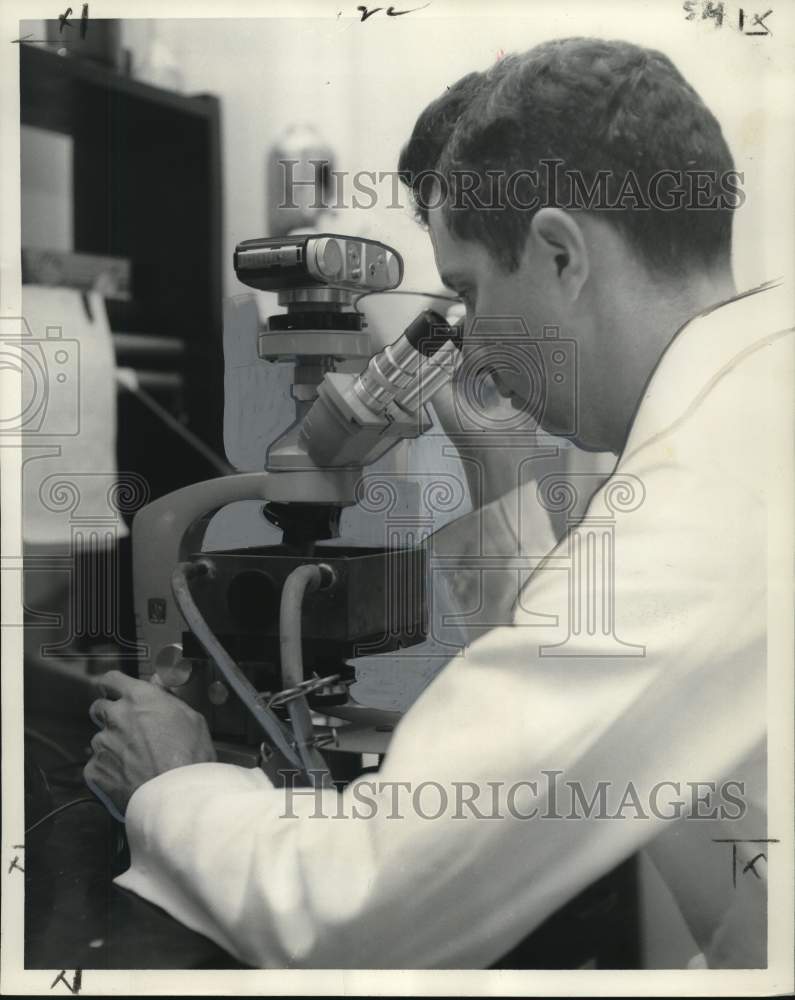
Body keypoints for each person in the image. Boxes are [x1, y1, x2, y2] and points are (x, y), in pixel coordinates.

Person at [84, 38, 791, 968]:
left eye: (467, 293)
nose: (475, 345)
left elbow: (353, 910)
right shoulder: (748, 415)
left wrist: (172, 787)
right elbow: (591, 666)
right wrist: (497, 462)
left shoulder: (694, 509)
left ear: (559, 255)